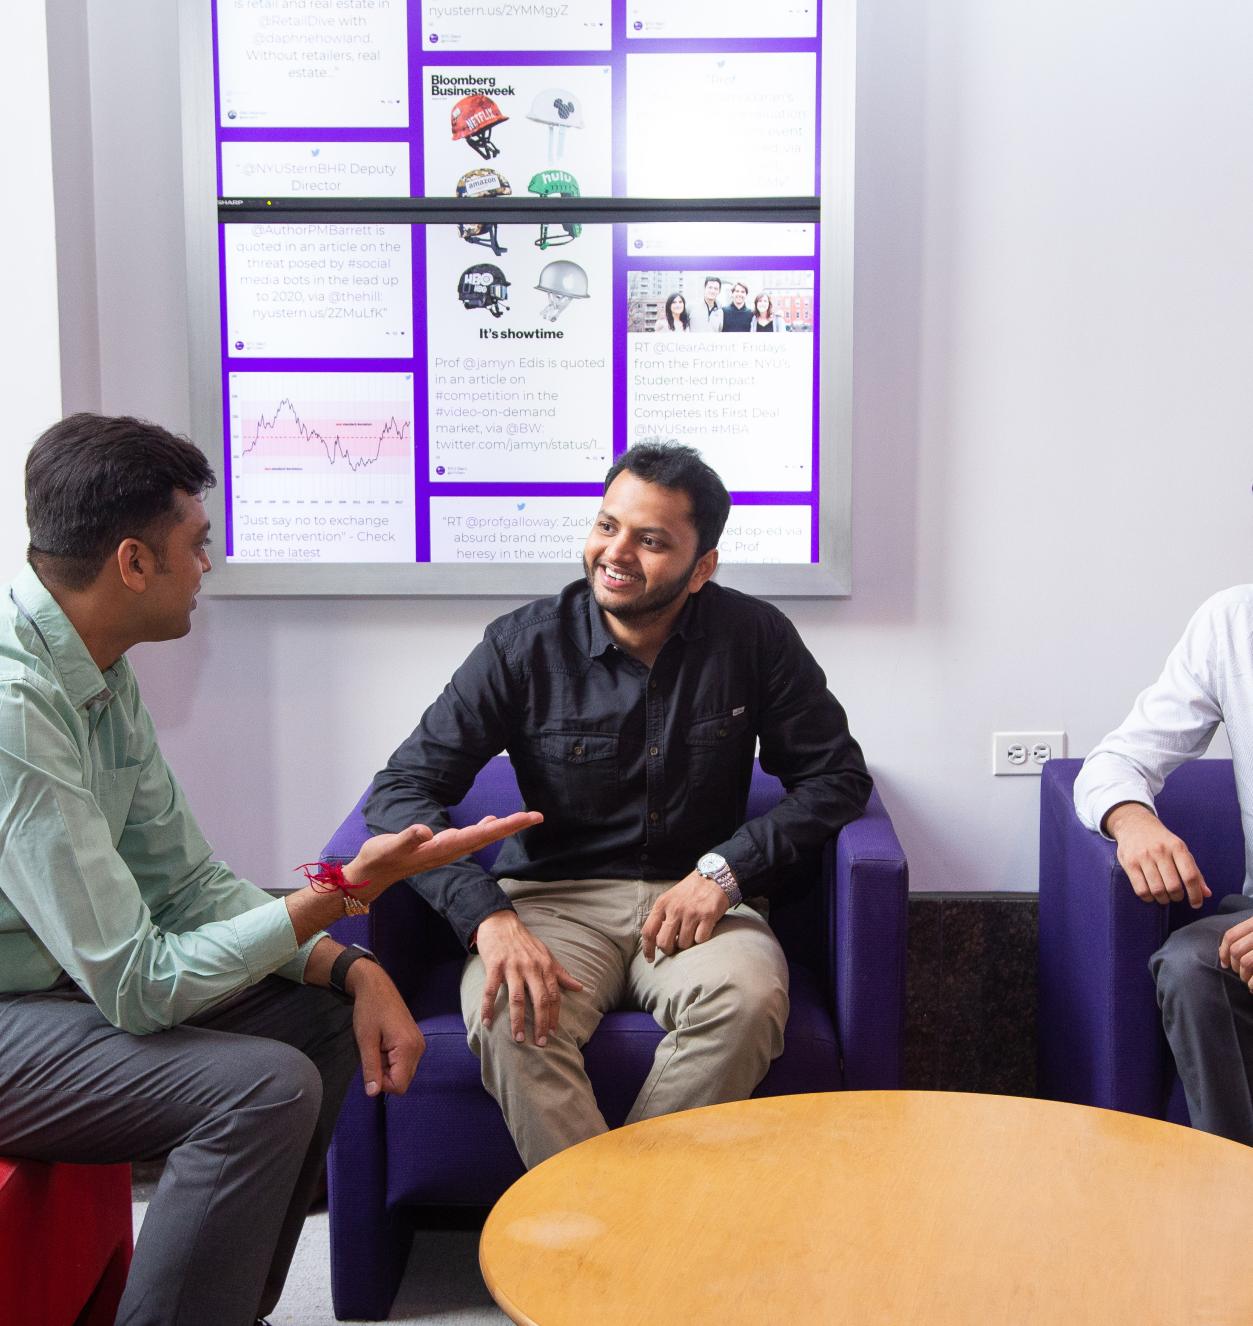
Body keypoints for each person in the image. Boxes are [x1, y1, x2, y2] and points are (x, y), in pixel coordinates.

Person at [0, 413, 539, 1326]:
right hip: (19, 1009)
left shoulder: (98, 666)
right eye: (195, 545)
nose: (207, 566)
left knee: (325, 1024)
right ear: (133, 563)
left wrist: (352, 962)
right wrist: (344, 893)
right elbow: (137, 983)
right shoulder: (19, 705)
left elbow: (187, 886)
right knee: (263, 1085)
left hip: (58, 985)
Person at [367, 442, 871, 1168]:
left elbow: (836, 779)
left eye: (651, 539)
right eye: (607, 526)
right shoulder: (521, 646)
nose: (616, 552)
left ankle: (609, 1226)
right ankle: (623, 1233)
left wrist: (725, 871)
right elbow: (399, 792)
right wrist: (485, 915)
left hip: (699, 902)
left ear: (703, 567)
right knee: (511, 1015)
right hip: (552, 901)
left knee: (748, 1001)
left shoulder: (754, 639)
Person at [1074, 586, 1253, 1145]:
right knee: (1193, 967)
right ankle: (1234, 1191)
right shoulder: (1232, 623)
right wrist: (1132, 821)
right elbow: (1117, 760)